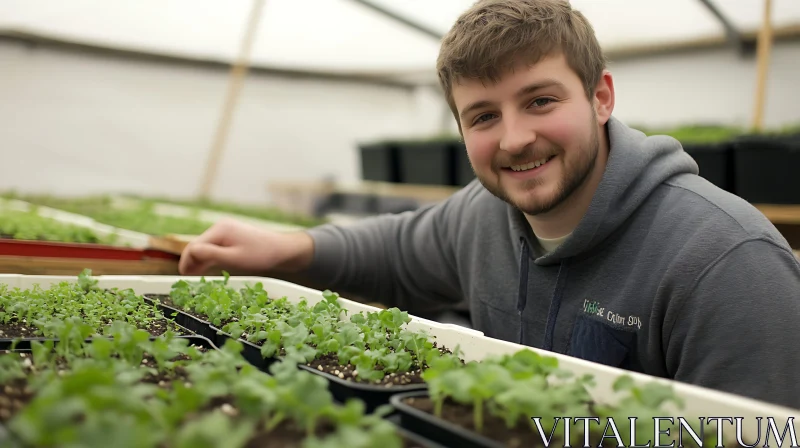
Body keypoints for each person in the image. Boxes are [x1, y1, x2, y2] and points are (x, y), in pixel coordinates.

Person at [179, 0, 800, 409]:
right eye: (483, 116)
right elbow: (394, 252)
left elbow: (765, 430)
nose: (514, 138)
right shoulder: (483, 216)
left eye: (540, 101)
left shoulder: (725, 261)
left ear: (601, 97)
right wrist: (287, 247)